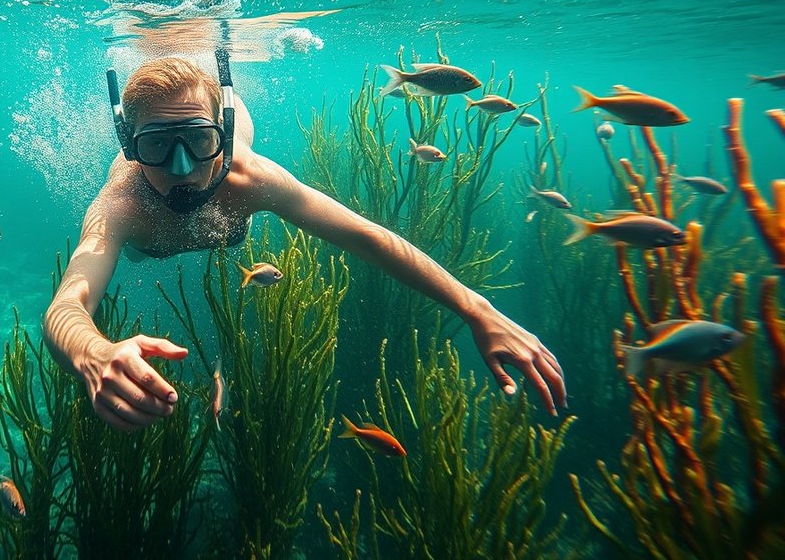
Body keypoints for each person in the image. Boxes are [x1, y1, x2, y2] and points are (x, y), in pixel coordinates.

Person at [43, 53, 567, 431]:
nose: (182, 169)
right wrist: (92, 352)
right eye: (156, 146)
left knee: (235, 181)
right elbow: (68, 303)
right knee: (139, 245)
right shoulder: (120, 205)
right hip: (148, 239)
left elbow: (367, 236)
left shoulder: (252, 178)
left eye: (200, 140)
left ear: (219, 136)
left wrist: (477, 309)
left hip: (232, 203)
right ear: (129, 148)